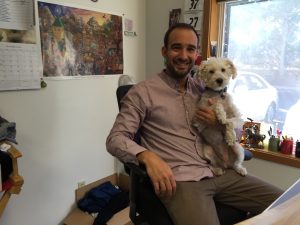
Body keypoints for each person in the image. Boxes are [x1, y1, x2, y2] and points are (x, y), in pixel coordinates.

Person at [106, 23, 283, 225]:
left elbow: (237, 127)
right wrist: (146, 155)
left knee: (288, 204)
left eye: (190, 49)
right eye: (176, 47)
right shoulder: (142, 92)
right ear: (164, 51)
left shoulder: (204, 87)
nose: (183, 55)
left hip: (219, 170)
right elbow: (115, 139)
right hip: (182, 180)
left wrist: (219, 124)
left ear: (196, 54)